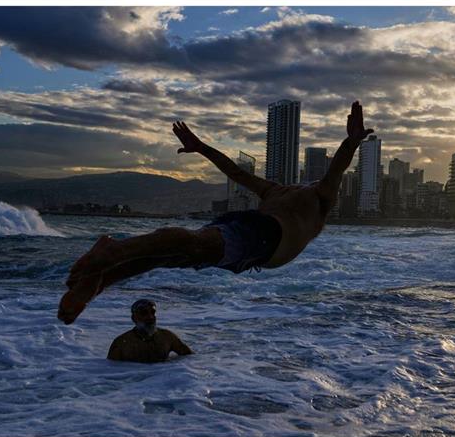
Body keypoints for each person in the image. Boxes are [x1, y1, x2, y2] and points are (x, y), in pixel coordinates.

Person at [58, 101, 374, 324]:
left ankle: (104, 273)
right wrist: (201, 148)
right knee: (180, 246)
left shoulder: (320, 196)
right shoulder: (276, 190)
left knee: (174, 252)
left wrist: (351, 142)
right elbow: (235, 172)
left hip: (262, 243)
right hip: (258, 235)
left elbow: (336, 169)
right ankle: (109, 260)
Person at [107, 299, 193, 363]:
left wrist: (172, 366)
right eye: (144, 313)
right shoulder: (121, 343)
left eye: (153, 312)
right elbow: (111, 371)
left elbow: (190, 358)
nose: (150, 317)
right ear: (134, 318)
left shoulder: (168, 337)